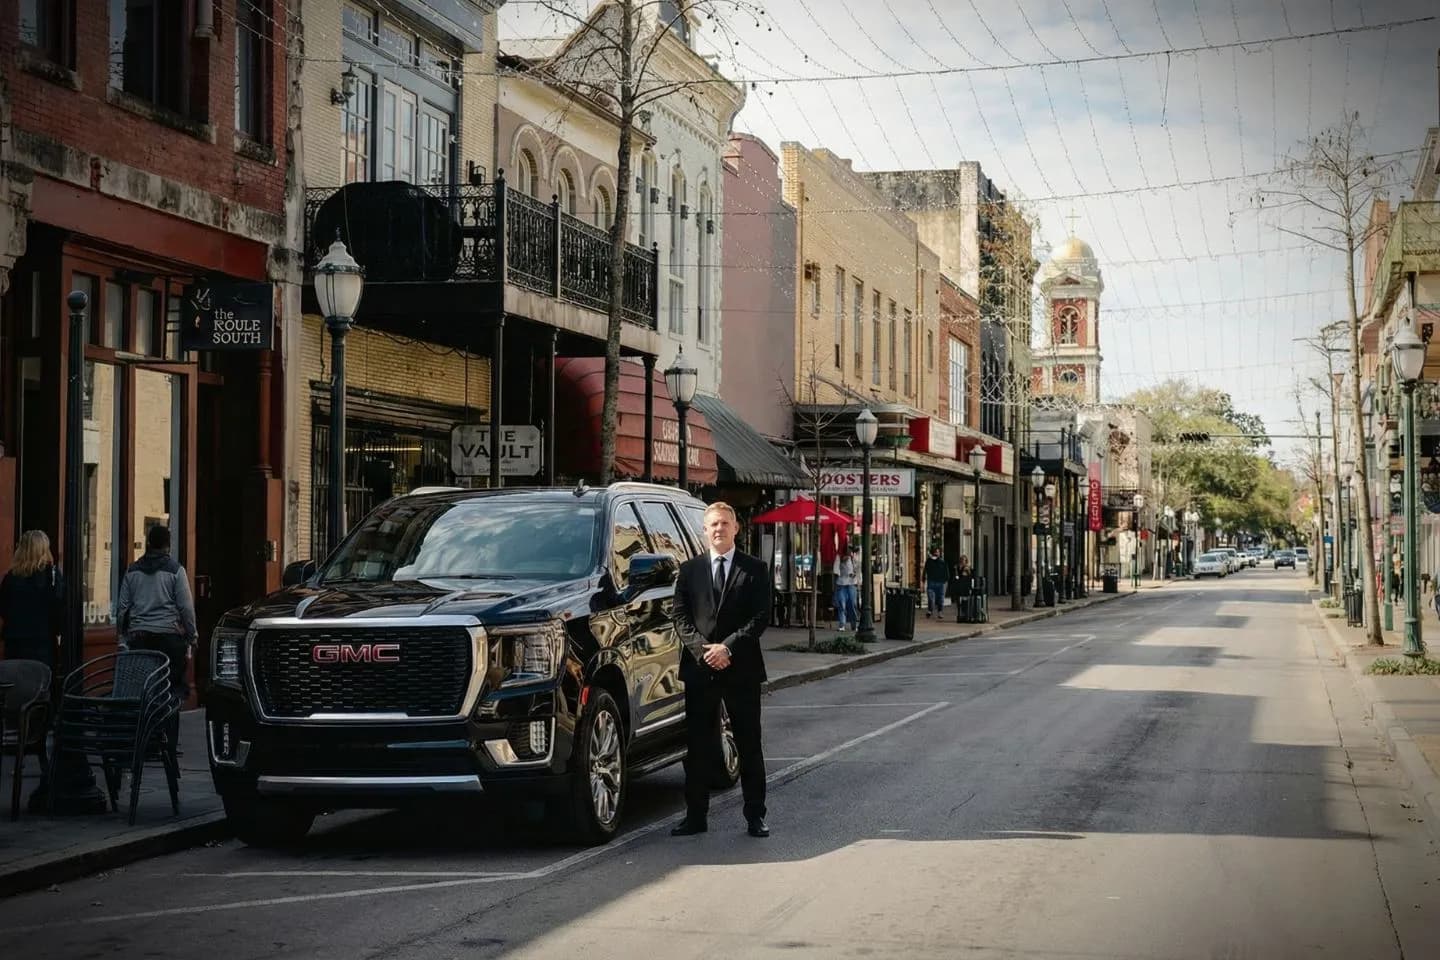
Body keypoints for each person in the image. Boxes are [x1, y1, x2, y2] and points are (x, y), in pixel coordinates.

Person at [670, 501, 772, 838]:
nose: (719, 529)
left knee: (748, 744)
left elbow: (761, 617)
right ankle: (696, 817)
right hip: (701, 669)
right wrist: (704, 651)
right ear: (704, 530)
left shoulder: (755, 569)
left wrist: (727, 647)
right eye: (713, 524)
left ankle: (755, 815)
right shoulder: (689, 571)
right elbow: (680, 617)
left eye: (725, 524)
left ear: (736, 528)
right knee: (699, 746)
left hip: (741, 667)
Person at [117, 525, 198, 720]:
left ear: (148, 544)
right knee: (171, 691)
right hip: (169, 639)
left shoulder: (132, 571)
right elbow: (186, 608)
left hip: (139, 638)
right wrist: (192, 635)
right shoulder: (176, 571)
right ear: (168, 546)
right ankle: (168, 743)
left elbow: (122, 609)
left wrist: (123, 635)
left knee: (142, 691)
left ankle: (145, 737)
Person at [0, 530, 65, 668]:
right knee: (41, 685)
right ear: (44, 550)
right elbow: (59, 608)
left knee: (16, 685)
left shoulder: (10, 578)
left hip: (15, 645)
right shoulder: (51, 576)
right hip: (43, 644)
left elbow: (3, 609)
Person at [833, 548, 858, 630]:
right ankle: (842, 624)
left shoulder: (853, 558)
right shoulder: (838, 557)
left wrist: (855, 574)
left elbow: (857, 569)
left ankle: (853, 624)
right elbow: (836, 571)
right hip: (841, 583)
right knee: (842, 604)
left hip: (852, 583)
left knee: (852, 604)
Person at [923, 547, 949, 619]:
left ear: (939, 553)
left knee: (940, 598)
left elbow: (946, 572)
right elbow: (925, 570)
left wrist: (945, 581)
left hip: (941, 583)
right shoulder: (929, 561)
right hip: (931, 582)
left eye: (937, 552)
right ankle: (930, 610)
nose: (936, 553)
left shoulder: (942, 562)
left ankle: (940, 612)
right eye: (935, 552)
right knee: (931, 598)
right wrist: (923, 580)